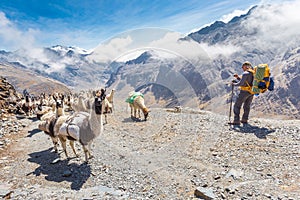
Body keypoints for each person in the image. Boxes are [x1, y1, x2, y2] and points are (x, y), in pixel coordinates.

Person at [229, 61, 254, 125]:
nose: (242, 68)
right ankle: (244, 119)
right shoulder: (253, 73)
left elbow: (241, 83)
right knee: (247, 106)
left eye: (243, 67)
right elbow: (246, 81)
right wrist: (238, 77)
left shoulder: (245, 73)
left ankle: (236, 120)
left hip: (244, 92)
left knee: (237, 105)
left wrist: (234, 84)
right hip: (251, 92)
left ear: (246, 66)